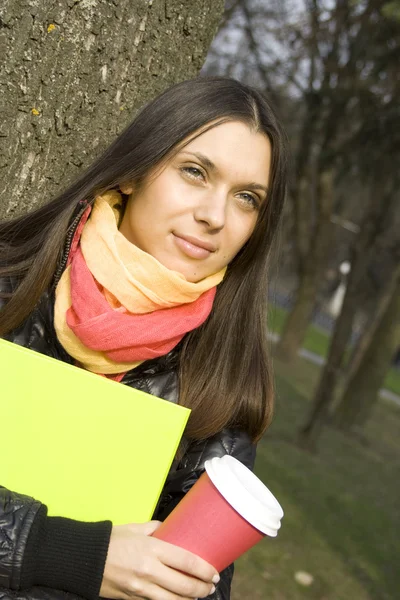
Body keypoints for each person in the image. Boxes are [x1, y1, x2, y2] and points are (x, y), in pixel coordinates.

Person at [0, 76, 288, 600]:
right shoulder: (10, 285)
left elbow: (200, 585)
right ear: (135, 171)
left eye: (246, 198)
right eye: (195, 172)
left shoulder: (220, 386)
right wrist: (73, 554)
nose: (215, 216)